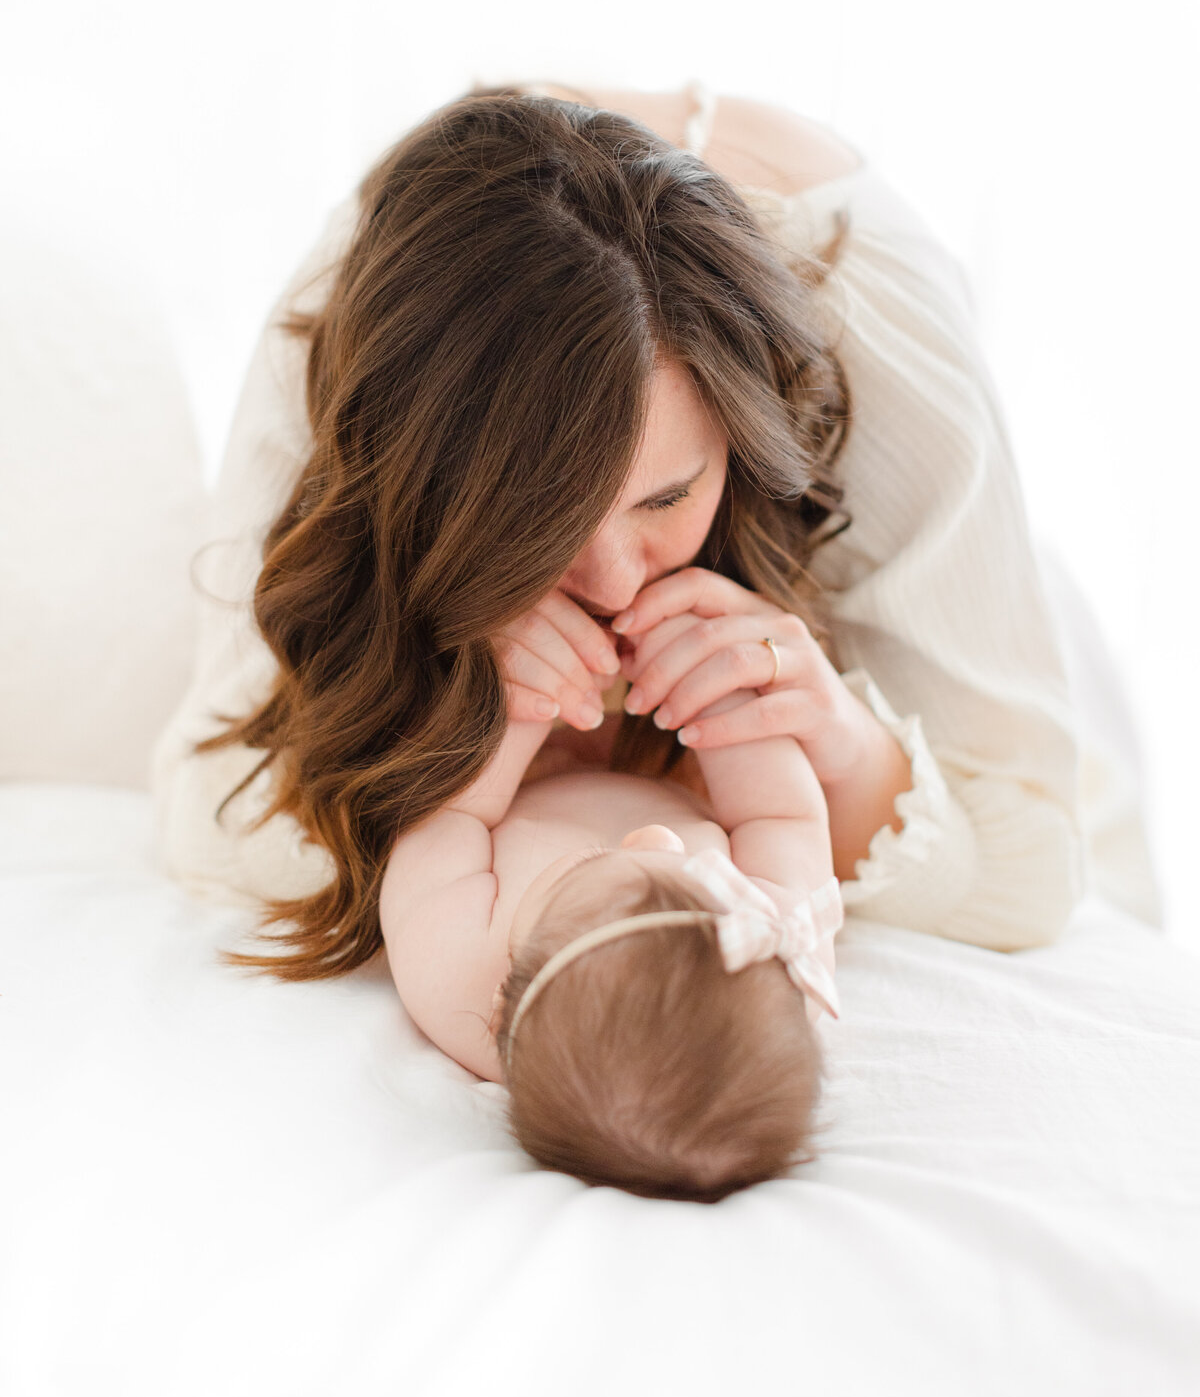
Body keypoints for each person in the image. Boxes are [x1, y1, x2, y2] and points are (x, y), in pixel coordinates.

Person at [149, 78, 1085, 992]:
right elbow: (210, 817)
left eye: (667, 499)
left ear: (746, 438)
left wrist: (837, 739)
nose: (608, 581)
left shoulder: (878, 321)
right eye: (533, 519)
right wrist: (461, 718)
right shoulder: (370, 309)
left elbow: (1032, 877)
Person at [380, 667, 844, 1201]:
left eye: (596, 861)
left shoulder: (448, 963)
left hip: (529, 757)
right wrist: (719, 697)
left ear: (503, 1002)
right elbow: (779, 815)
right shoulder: (778, 965)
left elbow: (445, 810)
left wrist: (525, 699)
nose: (655, 839)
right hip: (676, 754)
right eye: (697, 867)